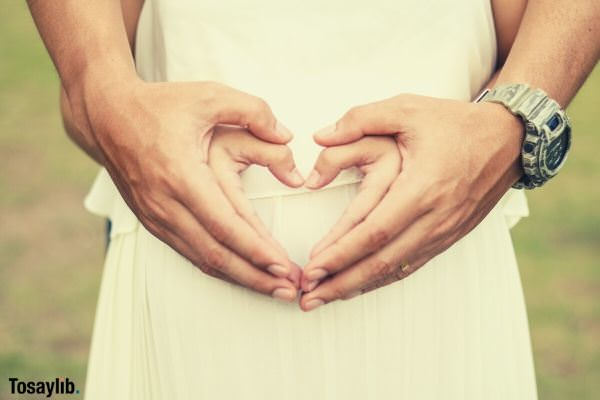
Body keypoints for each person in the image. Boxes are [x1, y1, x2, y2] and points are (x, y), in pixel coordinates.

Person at [27, 0, 599, 398]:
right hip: (192, 295)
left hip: (437, 281)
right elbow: (93, 87)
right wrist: (105, 101)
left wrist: (511, 121)